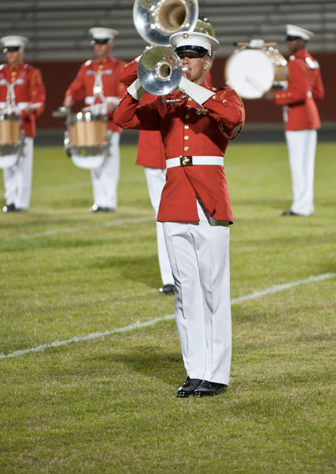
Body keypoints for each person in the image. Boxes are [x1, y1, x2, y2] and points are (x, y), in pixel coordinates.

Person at [113, 31, 245, 397]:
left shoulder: (223, 96)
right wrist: (142, 82)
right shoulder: (164, 102)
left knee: (214, 289)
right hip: (175, 201)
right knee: (185, 292)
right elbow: (122, 117)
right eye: (180, 55)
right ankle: (195, 370)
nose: (184, 61)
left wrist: (187, 89)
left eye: (193, 56)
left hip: (210, 202)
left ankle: (216, 374)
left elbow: (233, 117)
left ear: (207, 62)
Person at [117, 58, 175, 295]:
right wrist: (149, 55)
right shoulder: (154, 59)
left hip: (178, 147)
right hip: (153, 151)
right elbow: (125, 76)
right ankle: (169, 277)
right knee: (162, 217)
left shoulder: (189, 60)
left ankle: (187, 273)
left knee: (187, 216)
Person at [0, 35, 45, 212]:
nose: (11, 55)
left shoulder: (31, 72)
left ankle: (21, 203)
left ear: (22, 52)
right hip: (3, 126)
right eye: (9, 52)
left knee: (23, 166)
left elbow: (39, 96)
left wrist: (33, 107)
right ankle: (10, 200)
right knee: (7, 163)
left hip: (23, 126)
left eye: (15, 51)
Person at [64, 28, 124, 213]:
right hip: (92, 121)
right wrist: (69, 97)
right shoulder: (87, 68)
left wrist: (115, 104)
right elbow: (76, 88)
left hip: (110, 122)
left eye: (103, 44)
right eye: (97, 44)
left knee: (109, 161)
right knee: (94, 160)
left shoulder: (119, 67)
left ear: (110, 45)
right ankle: (99, 201)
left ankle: (110, 201)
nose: (99, 48)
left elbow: (124, 93)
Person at [269, 24, 324, 217]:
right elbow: (318, 92)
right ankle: (305, 205)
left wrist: (277, 97)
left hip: (298, 119)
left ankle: (301, 207)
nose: (289, 43)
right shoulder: (311, 61)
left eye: (292, 40)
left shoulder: (294, 62)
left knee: (298, 165)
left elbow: (300, 93)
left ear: (301, 41)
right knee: (305, 165)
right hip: (310, 116)